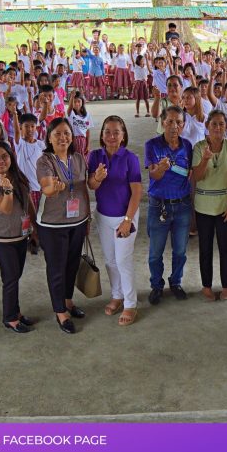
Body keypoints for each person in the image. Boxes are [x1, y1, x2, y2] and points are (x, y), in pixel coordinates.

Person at [36, 118, 91, 334]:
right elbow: (46, 188)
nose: (62, 137)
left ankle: (68, 301)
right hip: (52, 224)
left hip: (77, 220)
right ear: (49, 137)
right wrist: (54, 188)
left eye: (66, 133)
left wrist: (87, 215)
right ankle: (60, 311)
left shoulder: (78, 158)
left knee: (71, 265)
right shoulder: (45, 161)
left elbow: (83, 188)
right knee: (57, 268)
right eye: (57, 133)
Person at [87, 116, 142, 326]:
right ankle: (117, 295)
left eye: (116, 132)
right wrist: (97, 177)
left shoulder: (130, 158)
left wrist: (128, 220)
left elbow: (137, 191)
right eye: (107, 132)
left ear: (123, 135)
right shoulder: (95, 156)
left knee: (122, 260)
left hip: (124, 217)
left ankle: (130, 303)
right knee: (110, 260)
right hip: (103, 216)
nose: (111, 136)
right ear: (101, 135)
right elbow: (92, 186)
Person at [0, 142, 38, 333]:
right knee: (10, 277)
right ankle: (10, 317)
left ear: (11, 158)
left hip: (21, 235)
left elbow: (28, 201)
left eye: (4, 156)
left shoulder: (18, 176)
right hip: (3, 238)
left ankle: (16, 311)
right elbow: (5, 208)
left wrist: (35, 228)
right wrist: (6, 190)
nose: (0, 161)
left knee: (16, 275)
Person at [145, 106, 194, 305]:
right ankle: (156, 285)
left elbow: (192, 174)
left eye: (179, 122)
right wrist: (161, 169)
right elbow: (153, 174)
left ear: (183, 125)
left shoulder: (188, 146)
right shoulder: (152, 145)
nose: (174, 126)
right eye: (170, 121)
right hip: (159, 206)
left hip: (182, 205)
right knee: (155, 252)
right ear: (162, 122)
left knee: (180, 251)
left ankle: (176, 282)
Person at [191, 110, 227, 301]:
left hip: (224, 207)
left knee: (225, 247)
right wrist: (204, 160)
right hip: (203, 206)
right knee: (205, 248)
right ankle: (206, 286)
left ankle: (226, 286)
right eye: (214, 124)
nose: (218, 128)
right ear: (207, 126)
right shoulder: (199, 148)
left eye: (221, 124)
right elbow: (197, 177)